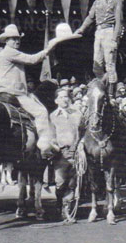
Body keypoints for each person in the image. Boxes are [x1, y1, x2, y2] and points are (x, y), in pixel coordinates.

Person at [0, 24, 62, 158]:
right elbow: (32, 60)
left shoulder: (2, 54)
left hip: (2, 93)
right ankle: (45, 146)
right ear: (7, 41)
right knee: (41, 112)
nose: (17, 41)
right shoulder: (10, 52)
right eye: (13, 39)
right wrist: (49, 48)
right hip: (14, 93)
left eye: (18, 38)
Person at [74, 0, 124, 100]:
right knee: (96, 65)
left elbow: (119, 21)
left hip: (109, 30)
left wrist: (115, 39)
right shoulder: (97, 1)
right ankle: (104, 87)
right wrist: (81, 29)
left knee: (110, 65)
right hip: (99, 32)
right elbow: (90, 17)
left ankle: (111, 95)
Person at [49, 88, 84, 223]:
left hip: (76, 153)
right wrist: (56, 148)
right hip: (60, 154)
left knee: (72, 183)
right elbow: (50, 136)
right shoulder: (52, 116)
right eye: (61, 97)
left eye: (66, 97)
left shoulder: (77, 114)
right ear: (56, 100)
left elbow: (83, 132)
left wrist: (80, 144)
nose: (64, 99)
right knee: (60, 182)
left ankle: (67, 211)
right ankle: (59, 206)